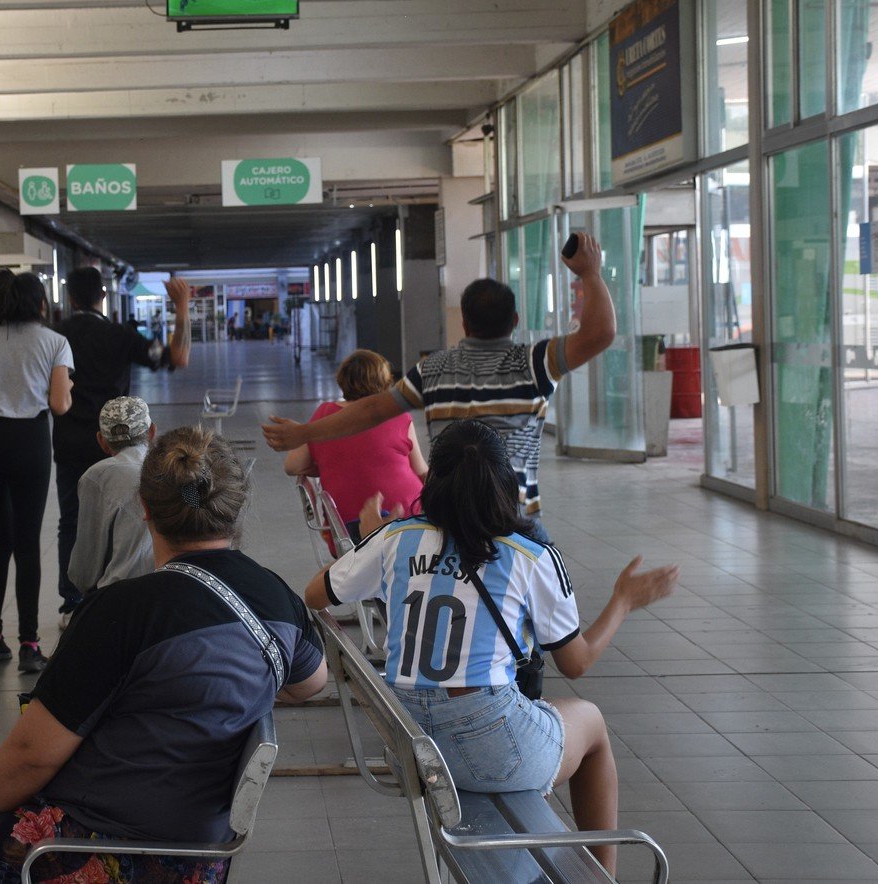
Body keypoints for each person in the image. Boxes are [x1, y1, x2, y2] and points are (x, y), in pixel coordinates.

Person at [0, 427, 327, 883]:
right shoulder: (275, 597)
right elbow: (311, 682)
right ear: (234, 509)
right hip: (199, 853)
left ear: (145, 508)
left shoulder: (121, 611)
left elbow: (31, 757)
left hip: (102, 845)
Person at [302, 420, 679, 876]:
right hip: (492, 748)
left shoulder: (395, 538)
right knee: (592, 724)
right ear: (505, 484)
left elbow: (315, 595)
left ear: (432, 481)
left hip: (408, 743)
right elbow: (576, 662)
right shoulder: (528, 556)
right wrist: (623, 601)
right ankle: (603, 877)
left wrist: (373, 551)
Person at [264, 231, 615, 523]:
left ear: (463, 322)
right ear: (515, 321)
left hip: (449, 516)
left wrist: (305, 432)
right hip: (513, 515)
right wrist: (591, 274)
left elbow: (369, 412)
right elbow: (600, 333)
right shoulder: (536, 362)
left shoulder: (432, 370)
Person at [51, 268, 190, 629]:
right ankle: (127, 590)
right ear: (103, 295)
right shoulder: (120, 335)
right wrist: (182, 307)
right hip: (120, 446)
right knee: (133, 515)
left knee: (72, 521)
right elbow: (177, 358)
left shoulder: (56, 337)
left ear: (71, 299)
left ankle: (73, 602)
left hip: (70, 443)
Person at [0, 271, 74, 673]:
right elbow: (60, 405)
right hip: (29, 440)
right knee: (27, 543)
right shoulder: (54, 342)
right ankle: (29, 645)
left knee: (1, 538)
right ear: (40, 304)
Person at [283, 349, 426, 541]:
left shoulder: (324, 414)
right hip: (408, 524)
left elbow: (292, 466)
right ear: (384, 381)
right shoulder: (398, 415)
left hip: (345, 535)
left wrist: (328, 463)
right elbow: (421, 471)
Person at [66, 396, 156, 596]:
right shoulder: (178, 468)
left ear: (102, 441)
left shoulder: (97, 477)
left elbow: (84, 570)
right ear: (151, 432)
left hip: (121, 598)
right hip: (180, 589)